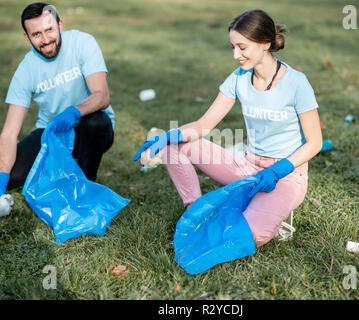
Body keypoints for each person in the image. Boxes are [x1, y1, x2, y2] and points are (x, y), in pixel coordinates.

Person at [133, 9, 322, 248]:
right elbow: (203, 125)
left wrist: (278, 170)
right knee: (174, 146)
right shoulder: (239, 77)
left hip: (285, 176)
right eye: (233, 47)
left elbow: (314, 142)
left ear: (265, 43)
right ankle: (196, 213)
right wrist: (168, 136)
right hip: (249, 166)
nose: (236, 55)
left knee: (250, 236)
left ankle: (270, 213)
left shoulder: (296, 83)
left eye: (242, 47)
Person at [0, 2, 115, 197]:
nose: (46, 40)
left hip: (89, 129)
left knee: (96, 122)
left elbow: (102, 95)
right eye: (36, 34)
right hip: (52, 133)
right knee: (13, 175)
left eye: (49, 30)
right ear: (27, 37)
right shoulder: (25, 70)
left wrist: (73, 112)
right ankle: (57, 168)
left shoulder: (83, 42)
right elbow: (9, 134)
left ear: (60, 25)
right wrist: (1, 180)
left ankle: (84, 187)